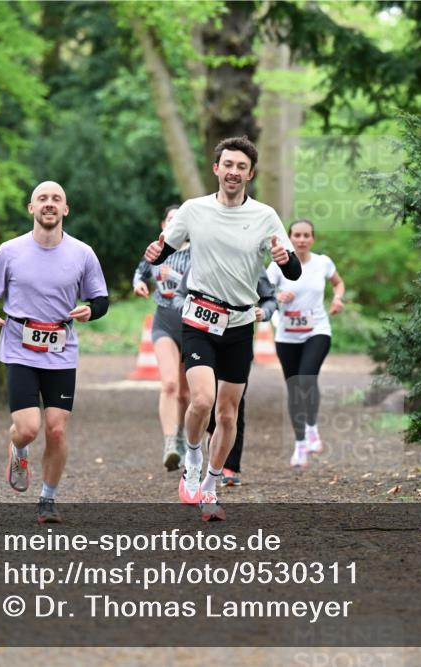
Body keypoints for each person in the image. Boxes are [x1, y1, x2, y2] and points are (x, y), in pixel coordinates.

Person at [144, 136, 301, 521]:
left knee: (228, 415)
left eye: (241, 167)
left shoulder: (265, 216)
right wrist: (155, 253)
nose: (233, 172)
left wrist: (283, 259)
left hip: (240, 323)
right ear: (216, 168)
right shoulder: (194, 210)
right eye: (227, 164)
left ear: (250, 174)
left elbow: (294, 270)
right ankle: (192, 459)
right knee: (202, 401)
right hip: (199, 317)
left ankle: (211, 487)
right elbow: (165, 250)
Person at [0, 181, 109, 524]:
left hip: (61, 349)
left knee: (56, 430)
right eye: (42, 198)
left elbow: (101, 299)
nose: (49, 203)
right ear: (31, 208)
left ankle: (47, 499)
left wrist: (91, 310)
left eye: (56, 199)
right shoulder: (10, 251)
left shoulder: (82, 253)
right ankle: (18, 448)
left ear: (65, 209)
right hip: (19, 347)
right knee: (28, 429)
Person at [173, 267, 279, 487]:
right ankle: (198, 453)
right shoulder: (203, 256)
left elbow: (270, 299)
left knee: (231, 410)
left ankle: (226, 467)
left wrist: (264, 312)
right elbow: (179, 296)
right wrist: (190, 309)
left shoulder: (251, 260)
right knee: (204, 400)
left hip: (238, 336)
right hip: (201, 333)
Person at [267, 219, 345, 468]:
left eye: (306, 235)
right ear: (289, 238)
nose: (301, 240)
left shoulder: (323, 262)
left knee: (307, 378)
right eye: (297, 235)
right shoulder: (277, 266)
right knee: (294, 388)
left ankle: (312, 427)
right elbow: (262, 293)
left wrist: (337, 299)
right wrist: (278, 295)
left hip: (317, 330)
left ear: (313, 238)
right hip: (287, 335)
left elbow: (338, 283)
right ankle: (300, 443)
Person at [133, 205, 191, 471]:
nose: (174, 224)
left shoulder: (197, 252)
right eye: (170, 219)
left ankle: (182, 436)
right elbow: (141, 271)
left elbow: (200, 283)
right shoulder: (155, 249)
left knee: (186, 393)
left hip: (190, 325)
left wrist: (174, 275)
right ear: (163, 225)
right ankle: (170, 444)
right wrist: (138, 283)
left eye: (180, 220)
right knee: (169, 384)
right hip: (164, 322)